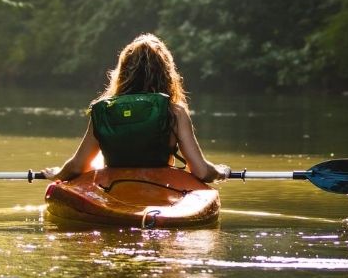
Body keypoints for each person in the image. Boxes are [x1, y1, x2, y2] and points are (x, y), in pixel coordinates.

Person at [42, 33, 230, 183]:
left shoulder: (105, 111)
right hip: (161, 188)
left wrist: (58, 174)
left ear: (123, 72)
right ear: (166, 73)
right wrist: (220, 171)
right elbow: (202, 171)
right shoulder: (175, 113)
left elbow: (77, 166)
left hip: (113, 189)